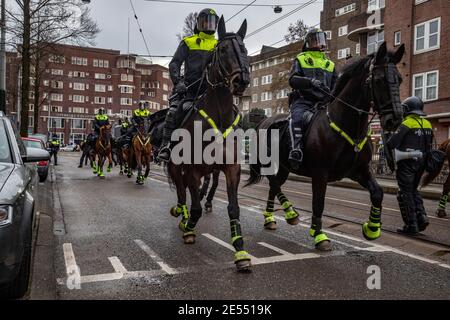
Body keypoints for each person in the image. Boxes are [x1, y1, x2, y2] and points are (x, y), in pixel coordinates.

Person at [157, 8, 219, 162]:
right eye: (206, 21)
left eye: (212, 21)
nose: (209, 24)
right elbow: (175, 64)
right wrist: (178, 82)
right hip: (189, 91)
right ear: (199, 23)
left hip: (212, 91)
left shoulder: (219, 44)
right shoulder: (188, 42)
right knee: (173, 111)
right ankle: (167, 146)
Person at [287, 27, 337, 169]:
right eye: (316, 39)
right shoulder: (301, 59)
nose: (320, 43)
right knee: (295, 118)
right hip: (303, 101)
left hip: (324, 103)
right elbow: (292, 80)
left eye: (322, 39)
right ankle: (296, 149)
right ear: (309, 42)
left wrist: (332, 92)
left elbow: (336, 85)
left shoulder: (330, 64)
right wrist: (309, 82)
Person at [387, 96, 432, 235]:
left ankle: (411, 224)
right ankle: (422, 216)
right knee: (414, 190)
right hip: (422, 162)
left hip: (406, 164)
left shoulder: (407, 123)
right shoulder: (427, 124)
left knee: (405, 193)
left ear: (407, 109)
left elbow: (392, 143)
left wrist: (389, 136)